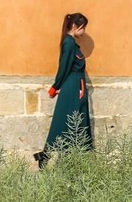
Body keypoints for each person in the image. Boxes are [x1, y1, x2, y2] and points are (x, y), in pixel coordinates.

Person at [34, 12, 92, 169]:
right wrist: (56, 86)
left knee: (72, 122)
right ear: (74, 26)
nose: (84, 31)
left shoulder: (71, 43)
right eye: (83, 27)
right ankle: (48, 155)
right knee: (68, 121)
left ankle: (63, 158)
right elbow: (64, 67)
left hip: (75, 87)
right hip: (72, 88)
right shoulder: (69, 43)